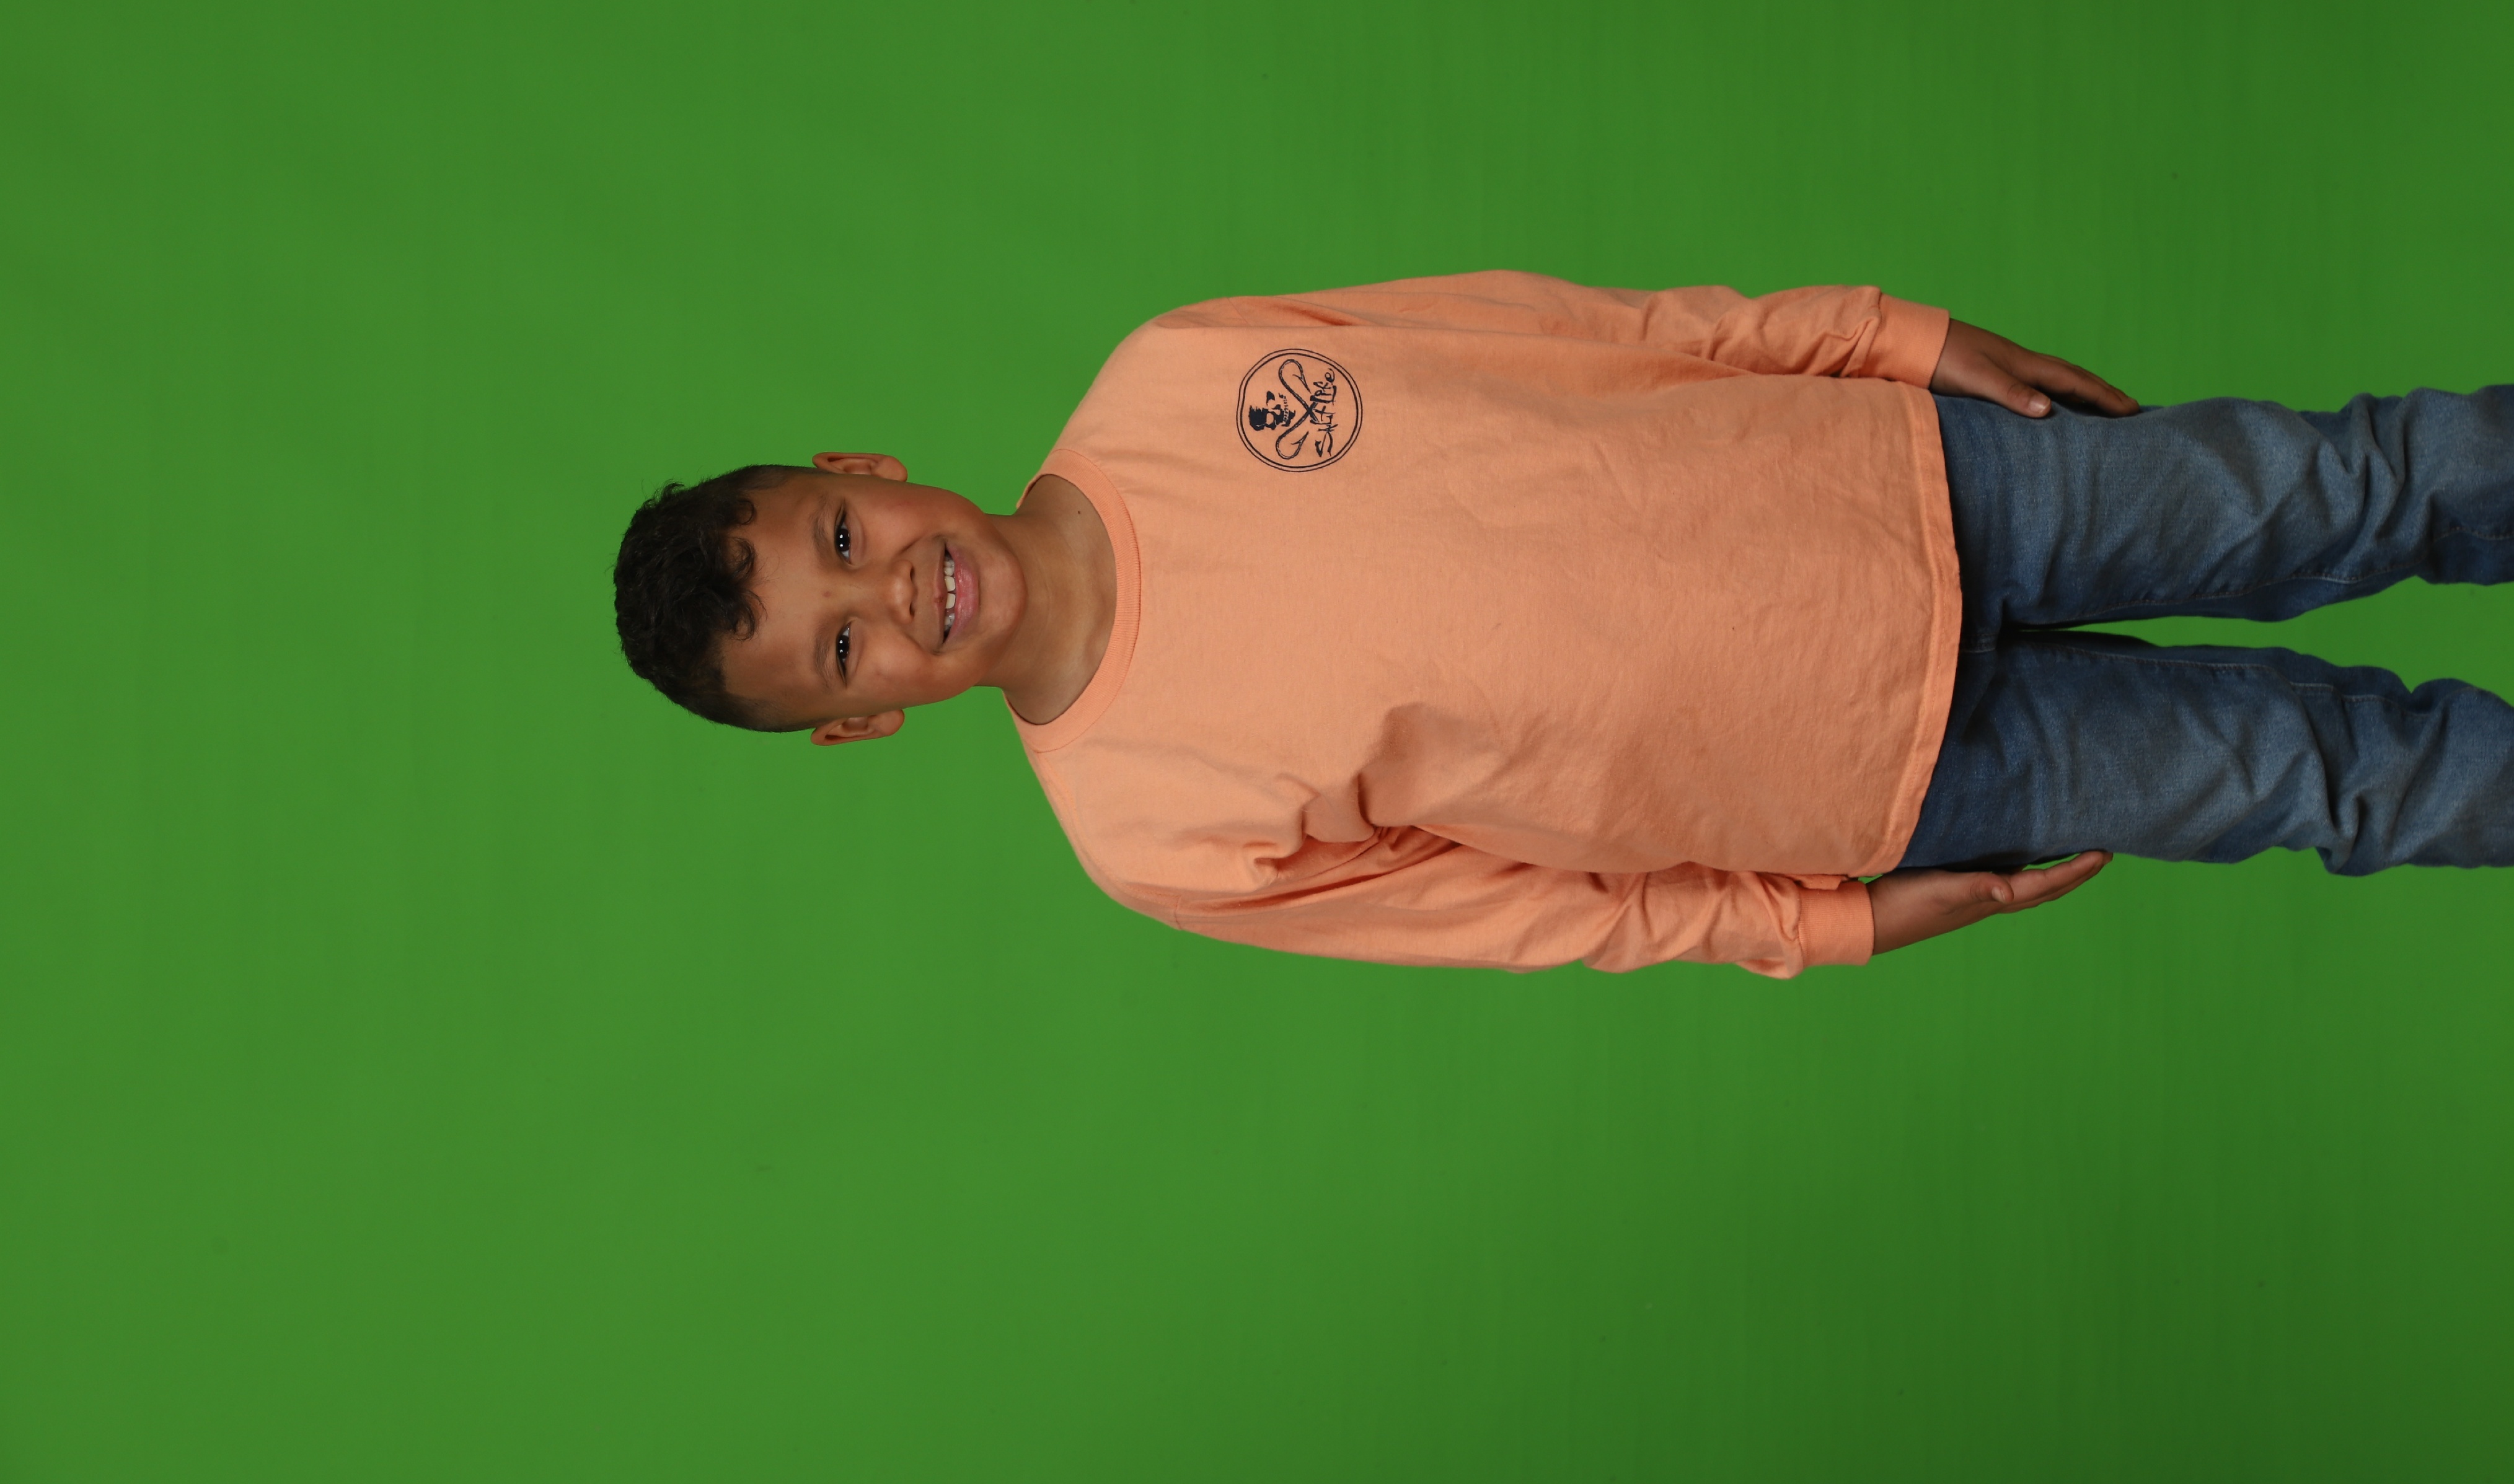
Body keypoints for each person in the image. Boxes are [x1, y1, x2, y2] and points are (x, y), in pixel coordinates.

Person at [611, 273, 2514, 977]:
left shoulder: (1175, 373)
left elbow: (1568, 335)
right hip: (1885, 778)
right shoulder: (1144, 831)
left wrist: (1877, 334)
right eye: (842, 648)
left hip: (1916, 481)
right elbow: (1523, 917)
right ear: (858, 721)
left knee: (2353, 484)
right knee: (2327, 775)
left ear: (861, 468)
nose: (891, 592)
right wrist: (1821, 925)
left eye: (841, 538)